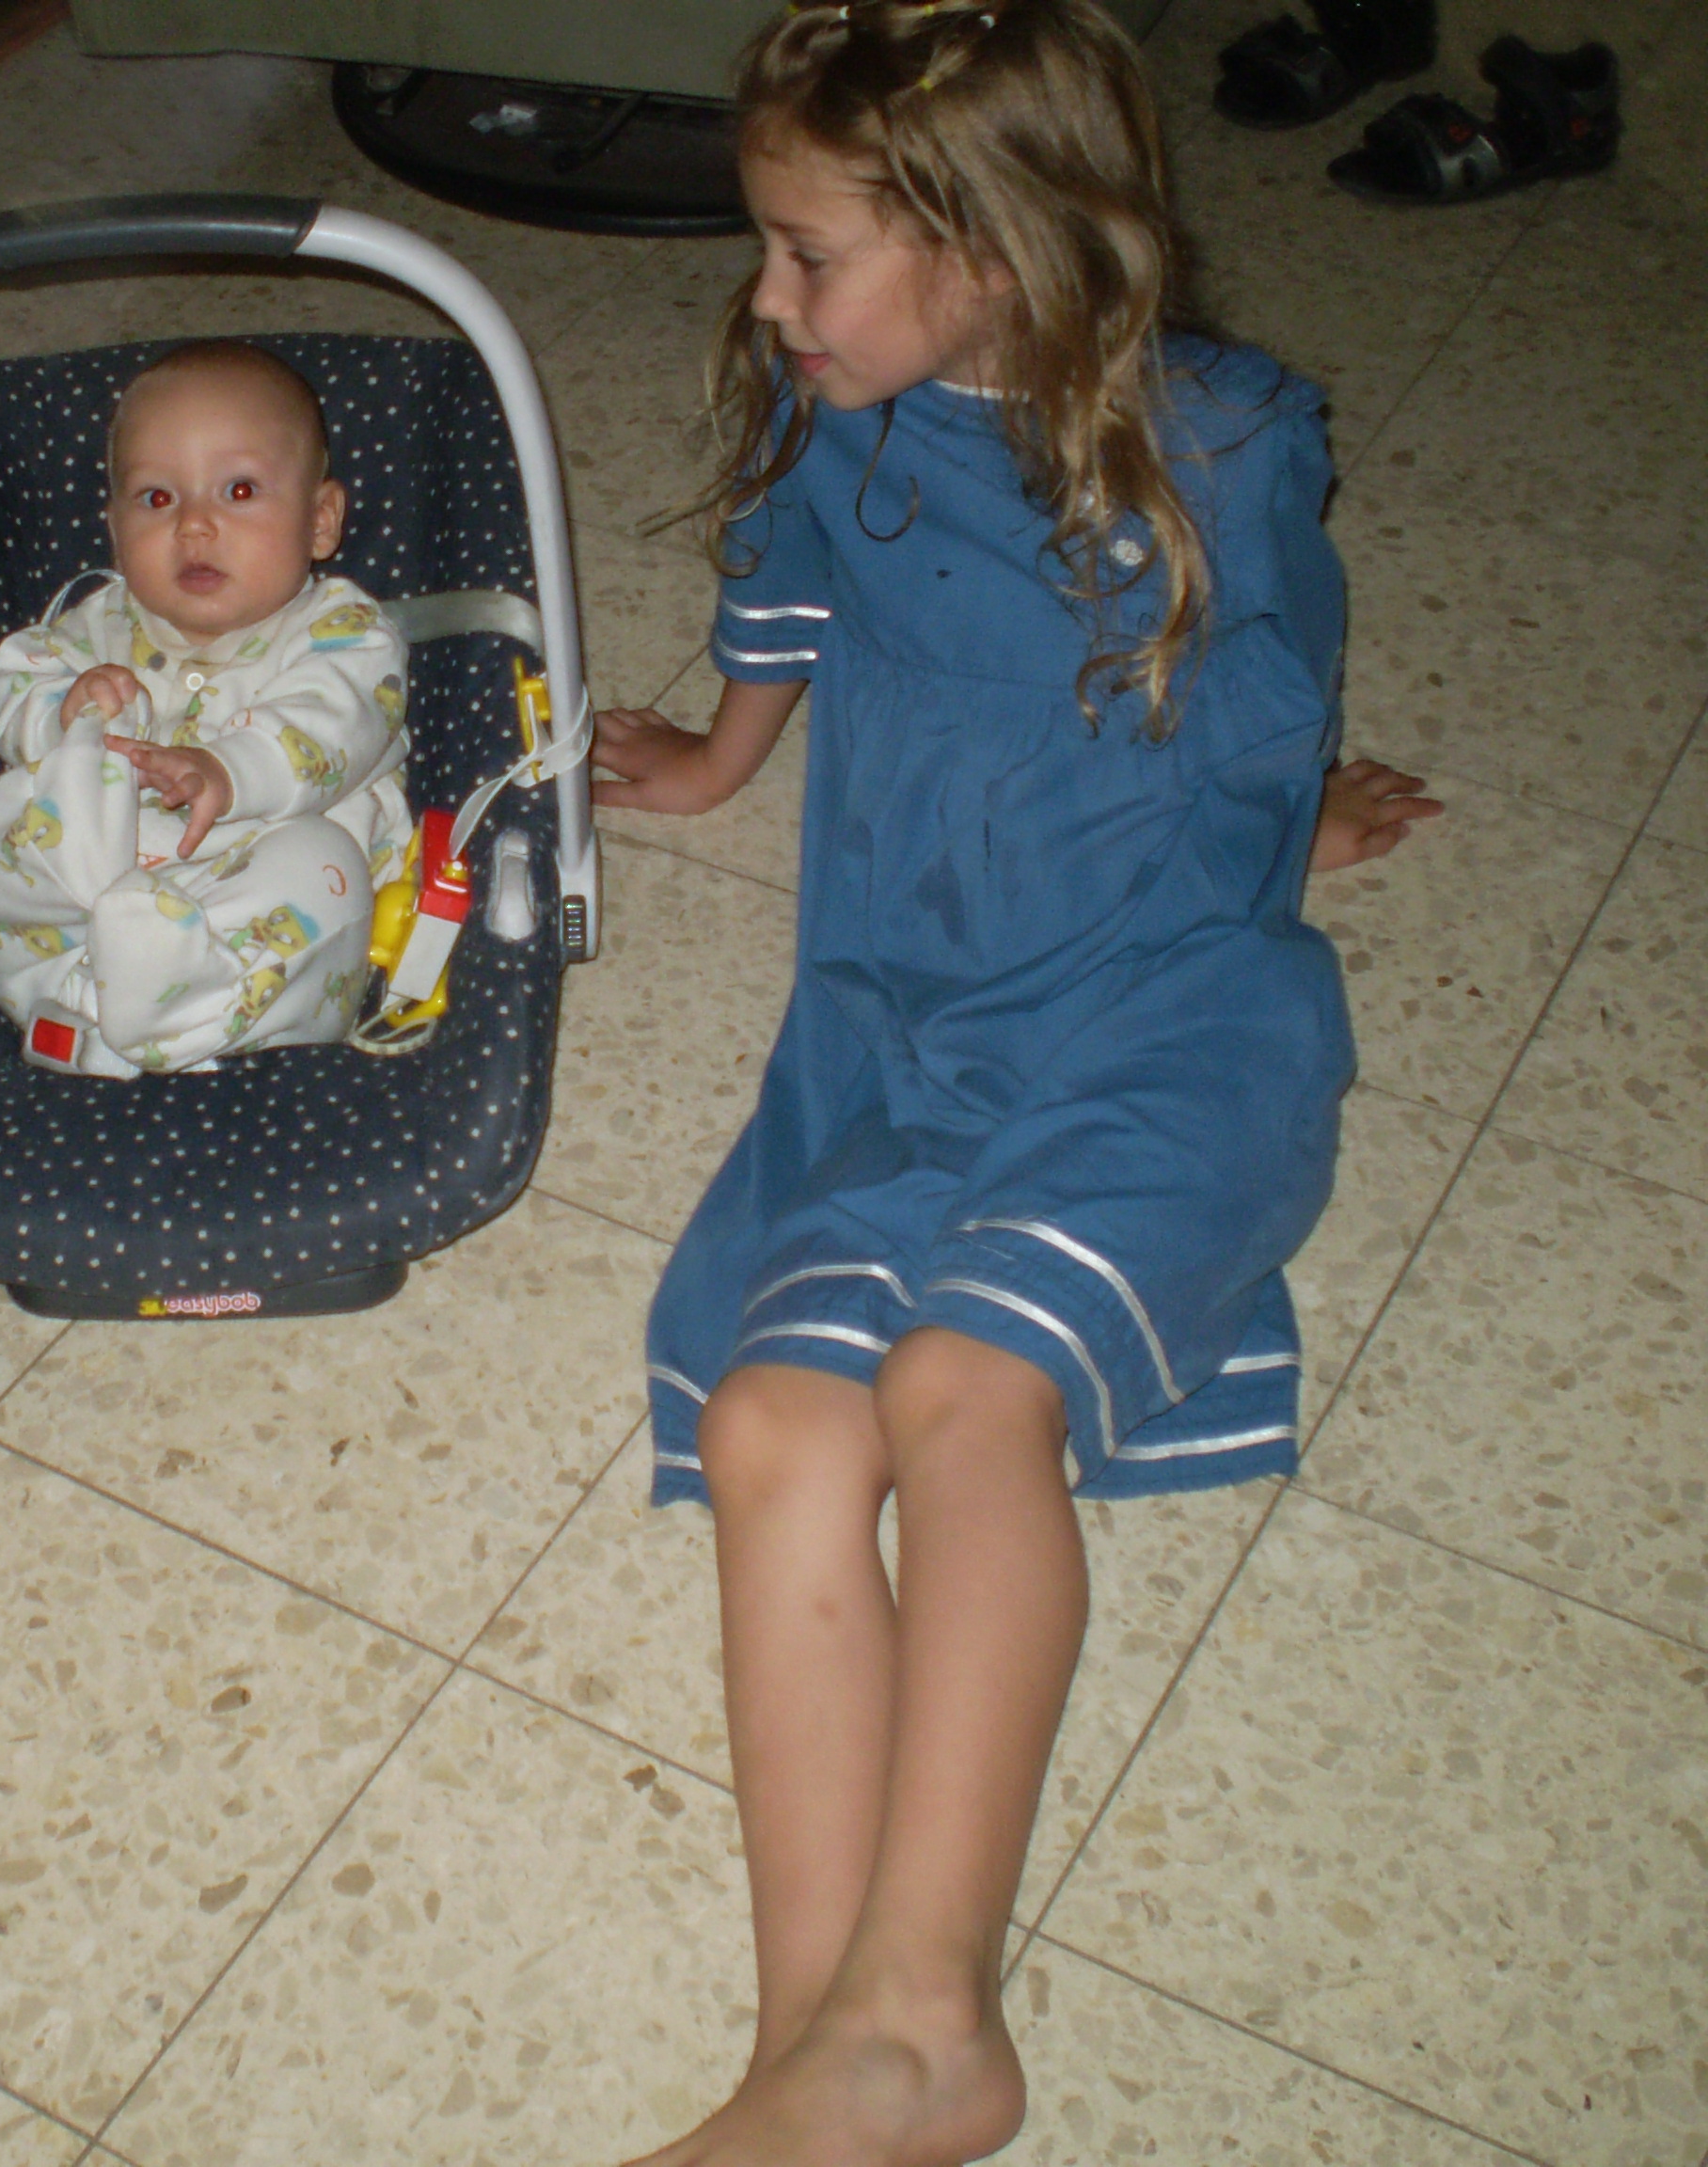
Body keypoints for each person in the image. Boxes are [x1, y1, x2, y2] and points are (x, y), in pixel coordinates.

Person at [583, 2, 1427, 2159]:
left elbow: (1278, 667)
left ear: (993, 245)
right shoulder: (832, 407)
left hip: (1161, 1015)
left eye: (807, 254)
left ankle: (917, 2019)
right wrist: (713, 763)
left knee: (969, 1391)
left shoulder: (1220, 443)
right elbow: (780, 599)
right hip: (905, 1024)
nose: (765, 296)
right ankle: (823, 2056)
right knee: (774, 1422)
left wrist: (1284, 824)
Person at [0, 340, 410, 1075]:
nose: (193, 525)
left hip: (250, 887)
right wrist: (65, 711)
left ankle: (161, 1014)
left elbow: (334, 720)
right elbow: (19, 676)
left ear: (320, 520)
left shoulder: (346, 632)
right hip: (88, 886)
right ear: (115, 528)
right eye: (157, 499)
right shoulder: (97, 622)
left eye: (239, 491)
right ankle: (77, 996)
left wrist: (227, 771)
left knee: (324, 870)